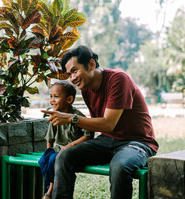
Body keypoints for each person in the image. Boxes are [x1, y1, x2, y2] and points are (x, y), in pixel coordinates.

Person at [42, 45, 159, 199]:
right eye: (69, 74)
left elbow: (108, 124)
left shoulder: (118, 79)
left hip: (137, 142)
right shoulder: (86, 89)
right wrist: (70, 144)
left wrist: (71, 118)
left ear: (91, 64)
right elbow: (97, 124)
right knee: (63, 157)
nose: (72, 78)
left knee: (119, 166)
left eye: (75, 71)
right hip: (107, 140)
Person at [38, 81, 94, 199]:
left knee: (54, 159)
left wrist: (71, 145)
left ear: (69, 100)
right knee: (43, 160)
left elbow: (89, 135)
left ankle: (50, 190)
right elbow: (50, 139)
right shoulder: (54, 116)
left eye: (56, 97)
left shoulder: (77, 117)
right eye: (51, 96)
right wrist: (48, 152)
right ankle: (51, 186)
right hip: (56, 150)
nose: (52, 100)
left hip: (71, 153)